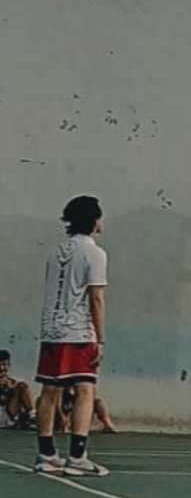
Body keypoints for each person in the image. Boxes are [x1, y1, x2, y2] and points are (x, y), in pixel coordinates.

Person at [32, 195, 110, 476]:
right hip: (78, 332)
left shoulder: (56, 252)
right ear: (93, 221)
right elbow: (96, 298)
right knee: (86, 390)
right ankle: (77, 456)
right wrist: (100, 339)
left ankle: (46, 455)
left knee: (49, 391)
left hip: (51, 330)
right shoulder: (95, 253)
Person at [0, 350, 35, 429]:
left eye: (4, 364)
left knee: (22, 386)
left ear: (9, 365)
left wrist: (10, 390)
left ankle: (32, 417)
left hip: (9, 417)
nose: (2, 368)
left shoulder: (13, 383)